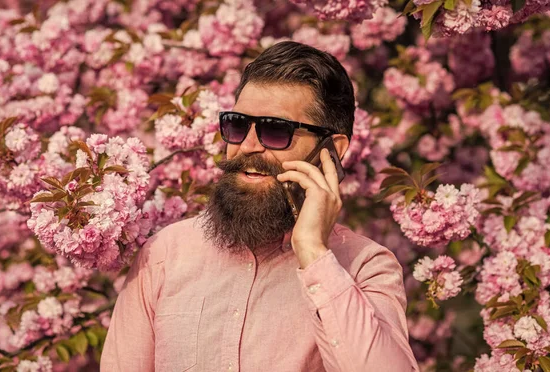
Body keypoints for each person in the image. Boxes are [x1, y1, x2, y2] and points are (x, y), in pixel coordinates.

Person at [101, 41, 419, 372]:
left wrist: (313, 252)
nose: (247, 146)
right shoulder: (164, 256)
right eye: (238, 125)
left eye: (276, 130)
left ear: (332, 150)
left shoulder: (365, 267)